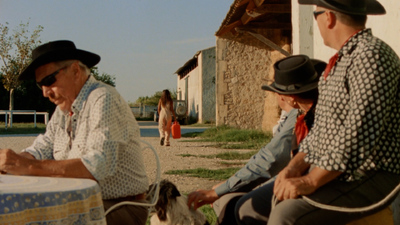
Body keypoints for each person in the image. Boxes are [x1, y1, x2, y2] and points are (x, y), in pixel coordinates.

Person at [263, 1, 400, 224]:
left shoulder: (371, 55)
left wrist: (310, 181)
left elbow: (359, 135)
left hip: (372, 173)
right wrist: (292, 168)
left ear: (328, 17)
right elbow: (320, 133)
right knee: (252, 204)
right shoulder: (340, 62)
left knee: (286, 215)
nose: (316, 22)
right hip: (341, 170)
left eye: (315, 15)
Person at [0, 40, 149, 225]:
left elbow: (95, 168)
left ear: (75, 71)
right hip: (80, 201)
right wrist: (11, 163)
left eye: (49, 81)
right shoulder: (63, 109)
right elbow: (42, 148)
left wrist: (27, 167)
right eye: (40, 85)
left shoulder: (103, 99)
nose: (45, 93)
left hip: (119, 206)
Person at [187, 55, 326, 225]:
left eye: (277, 91)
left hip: (314, 182)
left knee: (244, 207)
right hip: (301, 177)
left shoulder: (305, 118)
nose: (276, 96)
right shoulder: (299, 115)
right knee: (231, 201)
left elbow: (270, 159)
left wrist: (222, 189)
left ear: (289, 97)